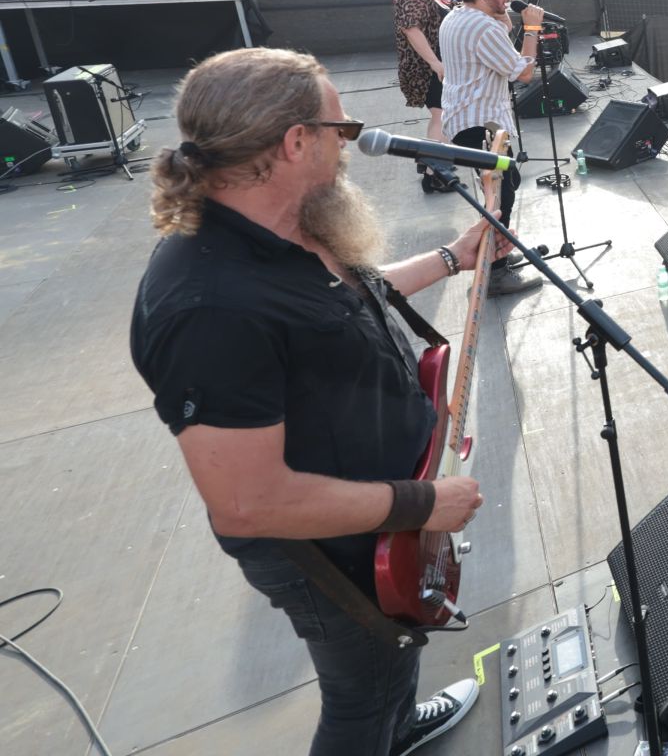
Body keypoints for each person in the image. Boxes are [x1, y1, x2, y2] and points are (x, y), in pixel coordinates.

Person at [130, 48, 494, 755]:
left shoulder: (282, 227)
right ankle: (382, 729)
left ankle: (398, 725)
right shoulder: (209, 309)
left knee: (393, 654)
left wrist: (453, 257)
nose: (350, 141)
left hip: (375, 509)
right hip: (328, 547)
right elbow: (249, 504)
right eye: (341, 128)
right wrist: (423, 503)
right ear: (296, 142)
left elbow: (338, 307)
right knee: (362, 692)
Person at [437, 0, 542, 298]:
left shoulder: (457, 16)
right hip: (481, 122)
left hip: (465, 117)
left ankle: (497, 254)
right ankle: (494, 274)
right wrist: (532, 30)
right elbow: (523, 73)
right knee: (500, 195)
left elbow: (500, 39)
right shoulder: (483, 28)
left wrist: (505, 15)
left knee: (505, 185)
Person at [392, 0, 449, 191]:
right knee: (442, 117)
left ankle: (429, 164)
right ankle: (433, 174)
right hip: (427, 70)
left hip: (435, 67)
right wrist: (435, 63)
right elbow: (411, 29)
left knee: (440, 116)